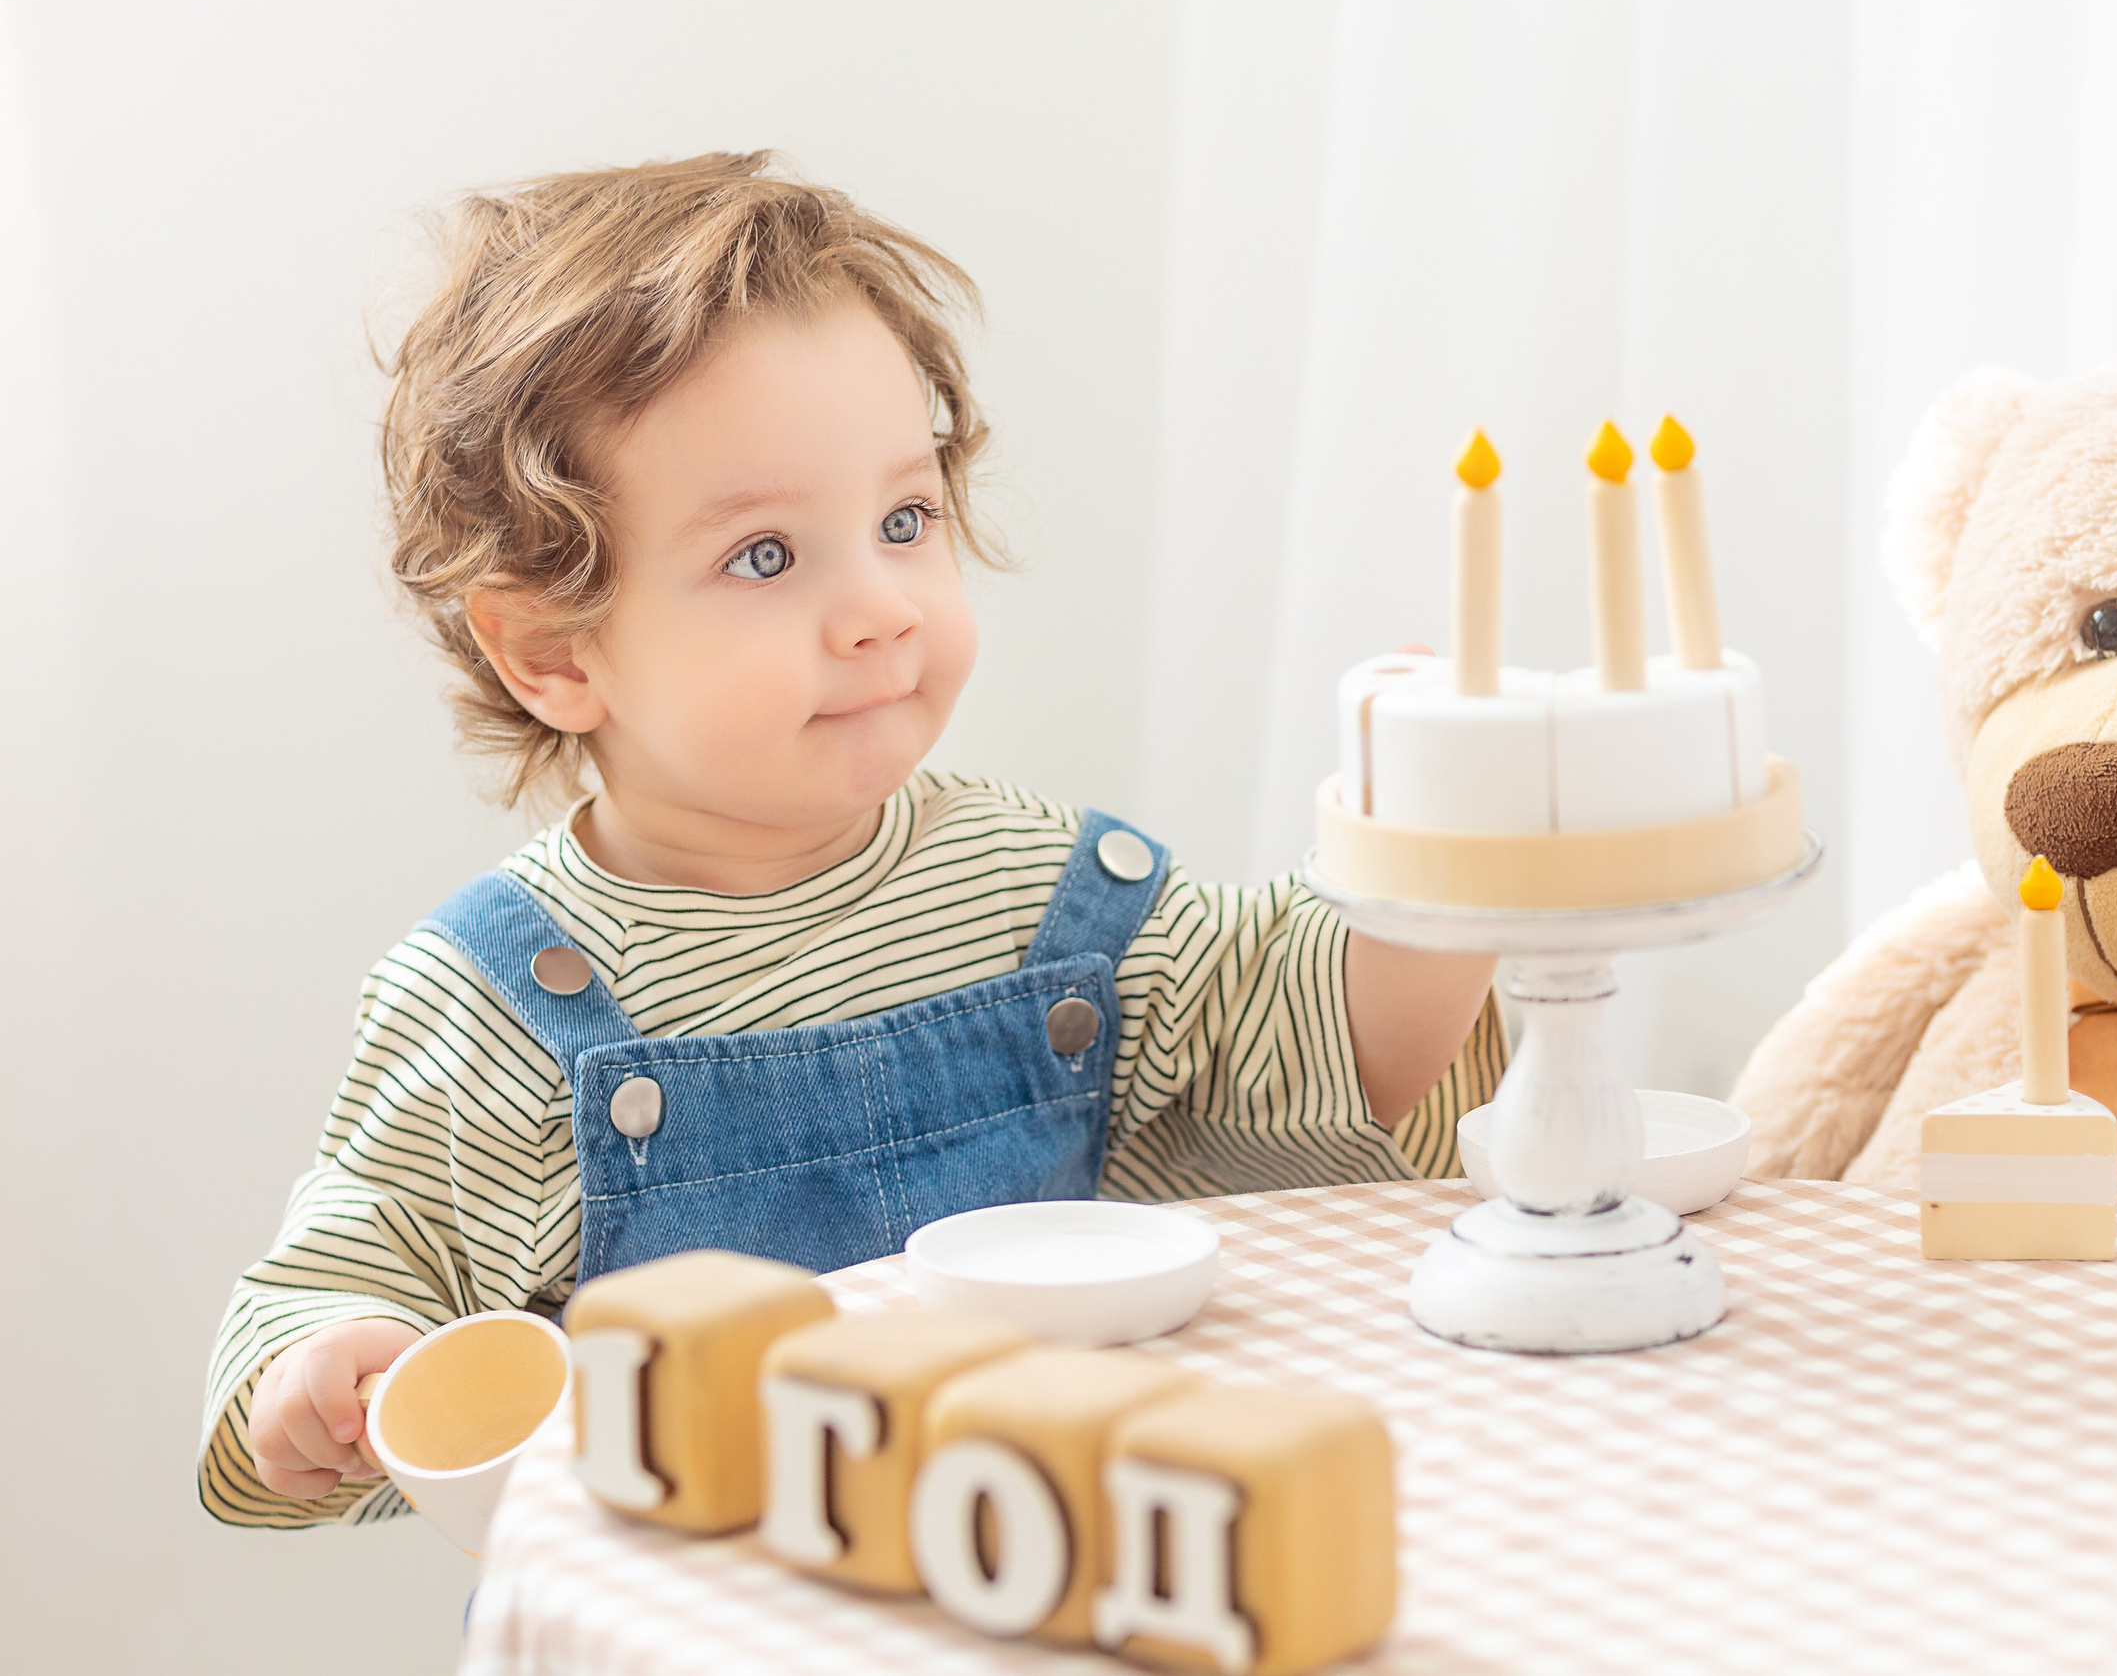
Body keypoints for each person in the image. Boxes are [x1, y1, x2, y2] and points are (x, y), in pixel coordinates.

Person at [200, 152, 1502, 1527]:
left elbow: (1356, 1050)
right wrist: (323, 1368)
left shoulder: (1051, 897)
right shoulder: (493, 1001)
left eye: (905, 519)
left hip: (1038, 1590)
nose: (881, 605)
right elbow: (346, 1269)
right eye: (767, 554)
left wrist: (1434, 838)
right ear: (552, 653)